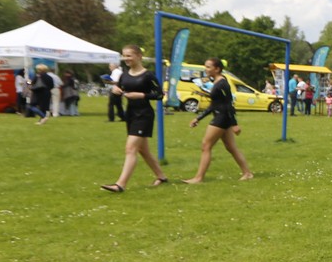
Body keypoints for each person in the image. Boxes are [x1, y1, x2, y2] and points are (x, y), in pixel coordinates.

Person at [100, 45, 170, 192]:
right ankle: (162, 177)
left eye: (129, 55)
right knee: (143, 150)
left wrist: (142, 95)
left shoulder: (148, 75)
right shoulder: (124, 75)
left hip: (144, 115)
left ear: (139, 56)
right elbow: (119, 89)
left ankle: (120, 184)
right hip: (131, 114)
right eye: (124, 55)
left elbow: (159, 95)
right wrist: (115, 90)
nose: (126, 58)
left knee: (130, 148)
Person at [182, 58, 253, 184]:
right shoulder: (216, 82)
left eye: (208, 67)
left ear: (217, 69)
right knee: (231, 147)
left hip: (222, 118)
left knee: (206, 145)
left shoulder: (222, 84)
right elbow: (213, 105)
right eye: (206, 66)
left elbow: (228, 104)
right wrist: (198, 118)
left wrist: (234, 124)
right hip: (221, 116)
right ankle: (247, 173)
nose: (206, 69)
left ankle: (199, 178)